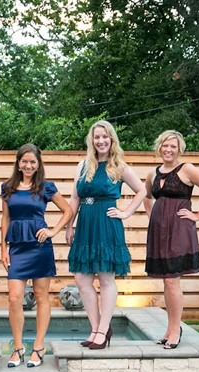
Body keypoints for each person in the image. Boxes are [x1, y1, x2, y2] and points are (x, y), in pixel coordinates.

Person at [66, 120, 146, 350]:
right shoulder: (83, 165)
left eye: (104, 137)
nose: (101, 141)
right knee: (82, 279)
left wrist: (126, 213)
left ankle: (103, 329)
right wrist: (69, 226)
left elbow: (142, 190)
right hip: (85, 223)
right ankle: (95, 328)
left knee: (105, 278)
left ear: (111, 139)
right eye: (97, 137)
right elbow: (75, 198)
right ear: (91, 141)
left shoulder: (119, 166)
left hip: (107, 224)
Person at [144, 130, 199, 349]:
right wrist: (152, 217)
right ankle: (170, 330)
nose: (168, 150)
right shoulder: (152, 173)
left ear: (179, 149)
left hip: (179, 230)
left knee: (171, 280)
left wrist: (198, 215)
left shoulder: (187, 169)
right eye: (165, 145)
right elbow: (146, 197)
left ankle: (176, 330)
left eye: (173, 146)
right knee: (167, 281)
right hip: (159, 231)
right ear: (159, 147)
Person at [1, 144, 73, 367]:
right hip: (17, 248)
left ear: (38, 163)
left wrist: (53, 231)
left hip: (40, 247)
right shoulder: (8, 187)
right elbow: (5, 218)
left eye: (33, 161)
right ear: (18, 162)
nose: (28, 165)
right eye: (25, 161)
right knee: (15, 298)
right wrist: (3, 248)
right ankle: (18, 347)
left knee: (41, 296)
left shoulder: (46, 187)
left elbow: (68, 210)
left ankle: (39, 346)